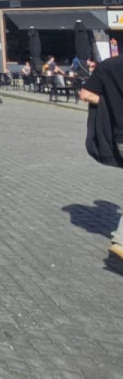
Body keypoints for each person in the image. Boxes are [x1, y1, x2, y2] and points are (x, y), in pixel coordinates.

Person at [80, 56, 123, 261]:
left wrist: (111, 105)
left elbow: (86, 94)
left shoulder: (107, 66)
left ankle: (121, 242)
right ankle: (121, 242)